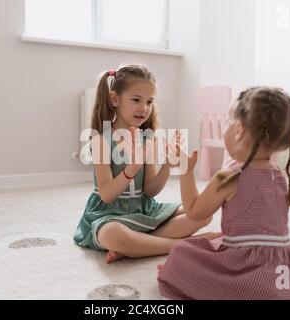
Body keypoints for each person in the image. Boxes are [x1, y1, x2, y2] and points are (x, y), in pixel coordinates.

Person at [157, 86, 290, 299]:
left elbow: (194, 211)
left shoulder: (229, 176)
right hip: (285, 275)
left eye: (228, 122)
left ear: (238, 129)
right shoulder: (281, 176)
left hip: (248, 275)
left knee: (183, 251)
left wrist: (186, 170)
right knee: (213, 241)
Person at [73, 64, 217, 264]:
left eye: (149, 101)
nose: (144, 108)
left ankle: (137, 246)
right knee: (114, 235)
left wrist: (167, 165)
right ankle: (184, 245)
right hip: (109, 215)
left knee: (202, 214)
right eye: (136, 100)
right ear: (115, 99)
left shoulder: (147, 139)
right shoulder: (101, 141)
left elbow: (150, 191)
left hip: (143, 210)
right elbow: (106, 195)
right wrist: (131, 169)